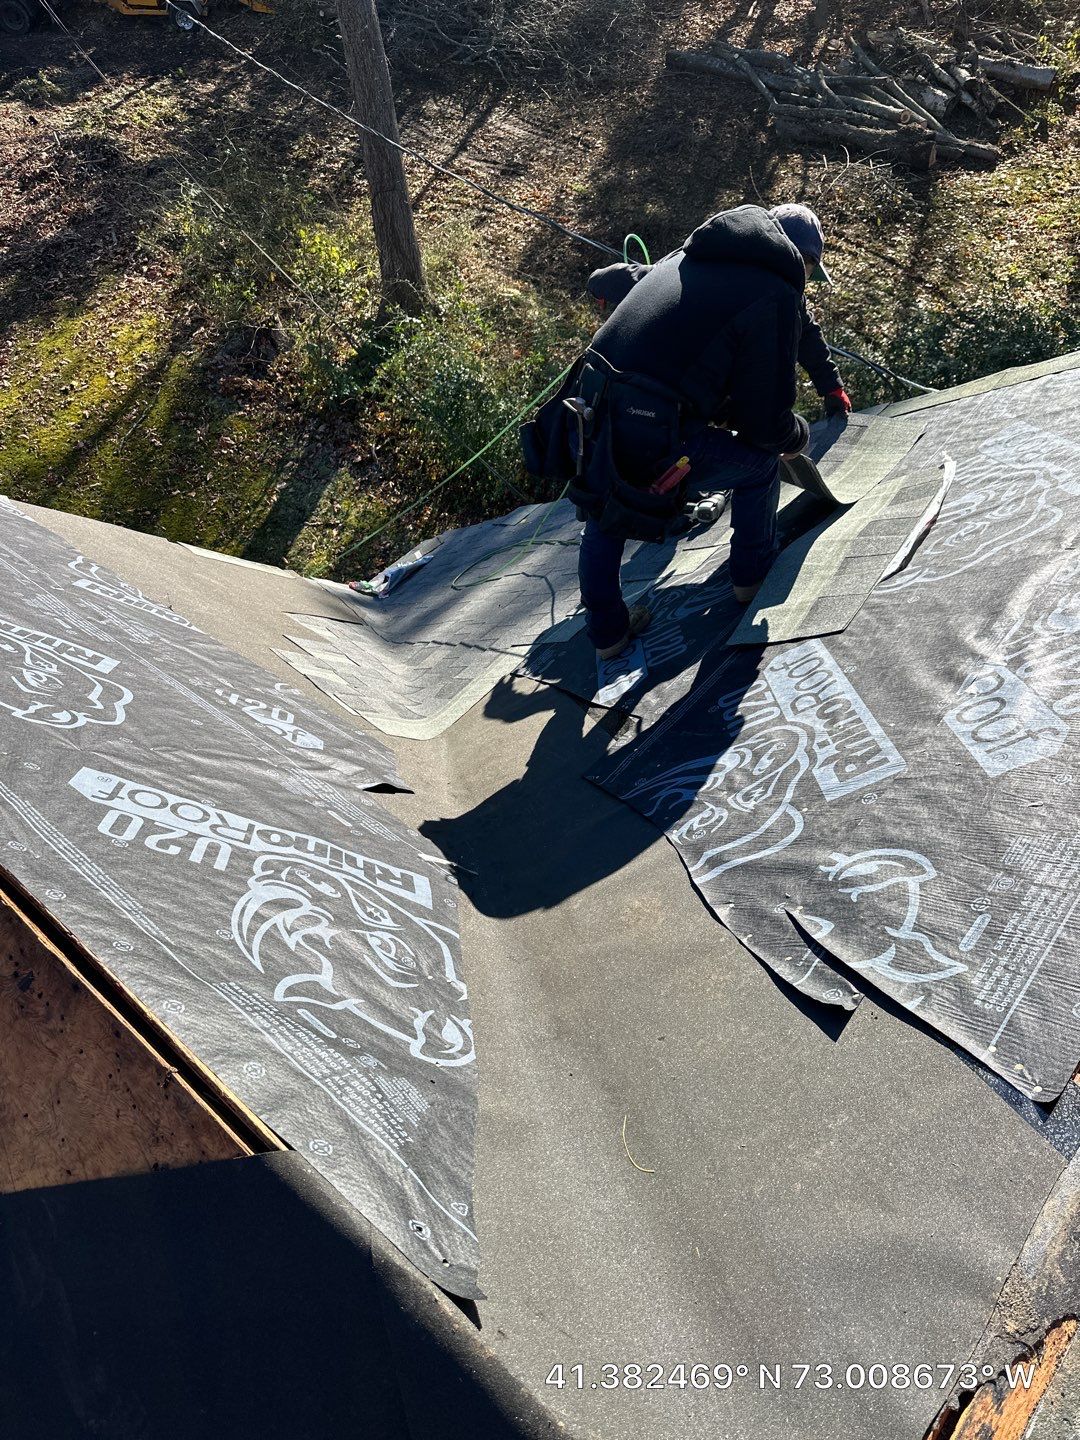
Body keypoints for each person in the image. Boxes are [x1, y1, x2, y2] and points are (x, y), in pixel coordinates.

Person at [569, 203, 847, 660]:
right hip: (654, 424)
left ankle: (608, 634)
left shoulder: (686, 257)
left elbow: (686, 352)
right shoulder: (772, 290)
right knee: (759, 464)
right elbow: (765, 421)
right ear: (798, 259)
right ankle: (751, 578)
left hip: (588, 408)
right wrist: (794, 437)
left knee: (604, 505)